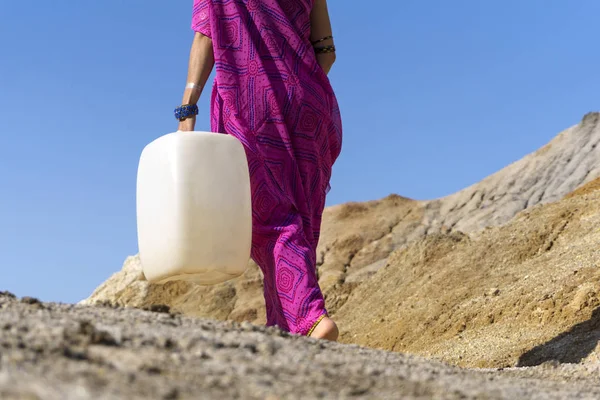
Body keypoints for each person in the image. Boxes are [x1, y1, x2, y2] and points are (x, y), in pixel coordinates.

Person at [176, 0, 342, 341]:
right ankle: (284, 327)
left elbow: (206, 36)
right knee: (301, 217)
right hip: (310, 102)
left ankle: (310, 318)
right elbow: (326, 50)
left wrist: (188, 106)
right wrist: (293, 84)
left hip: (252, 101)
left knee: (268, 220)